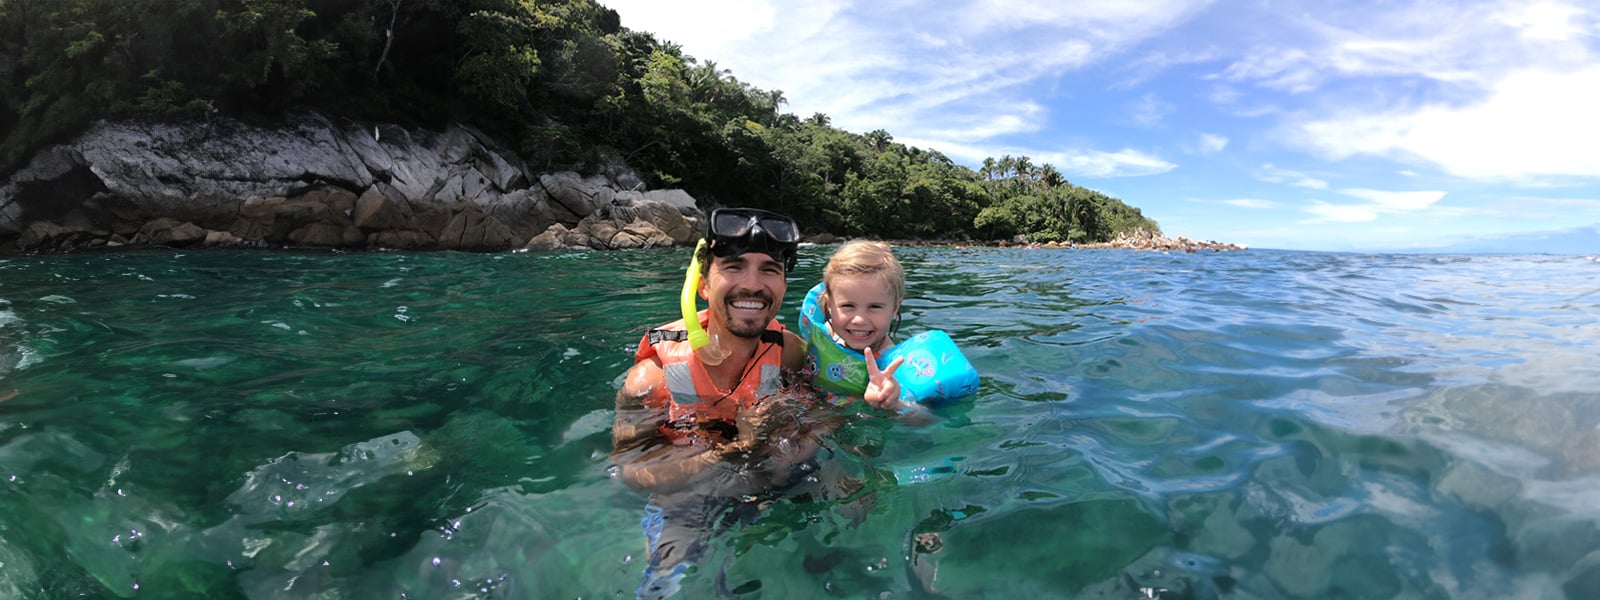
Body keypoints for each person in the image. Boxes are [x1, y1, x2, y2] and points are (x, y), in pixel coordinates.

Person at [611, 208, 847, 598]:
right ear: (703, 284)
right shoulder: (652, 377)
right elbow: (632, 471)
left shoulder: (788, 353)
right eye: (734, 267)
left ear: (784, 284)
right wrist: (741, 448)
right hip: (687, 500)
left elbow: (827, 416)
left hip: (774, 485)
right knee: (672, 585)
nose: (752, 285)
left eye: (770, 269)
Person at [798, 240, 930, 421]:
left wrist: (893, 403)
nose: (859, 319)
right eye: (848, 306)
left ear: (895, 308)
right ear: (828, 305)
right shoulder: (824, 334)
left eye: (874, 307)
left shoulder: (892, 364)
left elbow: (925, 420)